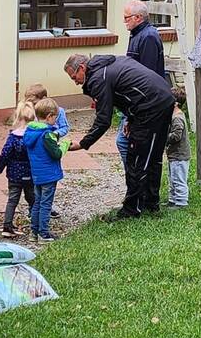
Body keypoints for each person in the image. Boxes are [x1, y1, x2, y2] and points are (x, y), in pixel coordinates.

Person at [64, 53, 174, 219]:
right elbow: (128, 92)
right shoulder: (108, 64)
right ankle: (150, 204)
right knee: (153, 157)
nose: (76, 82)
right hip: (162, 98)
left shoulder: (98, 78)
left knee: (136, 159)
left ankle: (131, 210)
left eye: (74, 77)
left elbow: (103, 120)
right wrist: (131, 118)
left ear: (81, 68)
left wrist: (83, 143)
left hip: (151, 106)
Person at [117, 0, 166, 170]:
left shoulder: (148, 37)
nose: (124, 21)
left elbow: (147, 77)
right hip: (135, 102)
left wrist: (133, 116)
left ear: (138, 17)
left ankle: (136, 180)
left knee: (126, 143)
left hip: (144, 104)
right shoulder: (137, 34)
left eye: (126, 18)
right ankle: (135, 180)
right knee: (125, 143)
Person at [23, 97, 71, 242]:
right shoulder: (47, 135)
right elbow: (56, 153)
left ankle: (34, 232)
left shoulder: (30, 131)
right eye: (55, 118)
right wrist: (65, 144)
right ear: (49, 116)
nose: (56, 121)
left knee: (37, 203)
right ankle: (43, 233)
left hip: (37, 174)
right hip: (49, 175)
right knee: (46, 204)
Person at [0, 100, 36, 238]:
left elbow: (5, 154)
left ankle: (7, 225)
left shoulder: (13, 137)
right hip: (31, 173)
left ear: (18, 117)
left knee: (12, 200)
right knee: (32, 199)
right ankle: (36, 224)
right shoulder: (35, 136)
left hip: (14, 174)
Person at [166, 86, 190, 208]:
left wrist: (164, 138)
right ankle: (172, 199)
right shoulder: (176, 115)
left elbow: (176, 136)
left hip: (179, 155)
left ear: (175, 103)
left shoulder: (177, 118)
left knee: (178, 179)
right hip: (174, 155)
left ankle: (181, 201)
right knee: (172, 178)